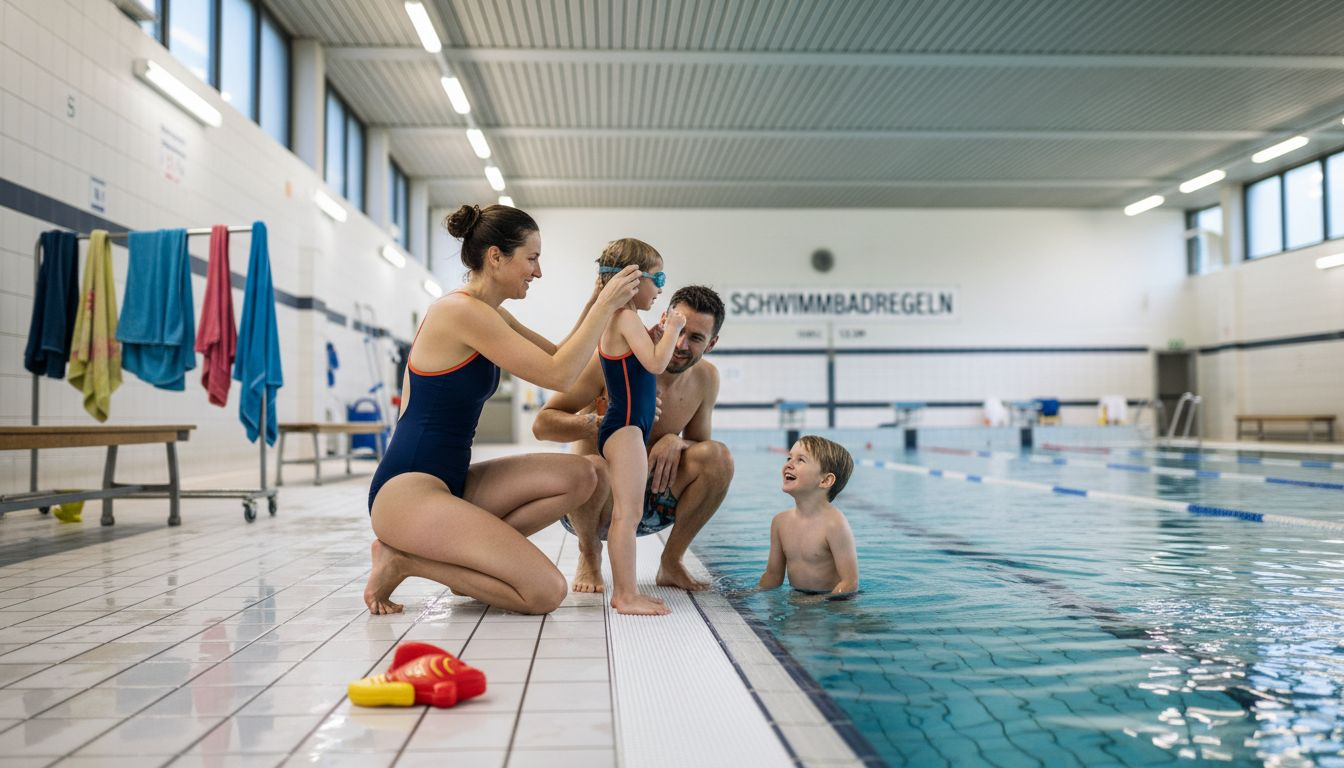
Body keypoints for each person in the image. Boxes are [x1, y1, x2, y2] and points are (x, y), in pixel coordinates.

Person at [364, 204, 642, 616]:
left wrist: (599, 301)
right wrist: (605, 308)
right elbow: (560, 375)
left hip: (452, 483)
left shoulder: (491, 314)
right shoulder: (458, 312)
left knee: (587, 474)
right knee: (545, 593)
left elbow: (567, 356)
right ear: (496, 257)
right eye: (531, 258)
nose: (538, 271)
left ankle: (475, 567)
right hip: (407, 492)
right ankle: (404, 560)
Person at [532, 284, 732, 596]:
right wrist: (602, 423)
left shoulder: (706, 378)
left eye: (695, 338)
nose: (680, 344)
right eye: (678, 330)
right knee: (593, 466)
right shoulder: (613, 359)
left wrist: (676, 442)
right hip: (592, 503)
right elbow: (543, 425)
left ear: (712, 343)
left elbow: (701, 447)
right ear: (664, 320)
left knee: (718, 458)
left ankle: (672, 561)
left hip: (648, 506)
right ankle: (589, 553)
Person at [591, 239, 686, 615]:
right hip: (626, 427)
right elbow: (657, 365)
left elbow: (641, 362)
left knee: (626, 514)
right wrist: (675, 328)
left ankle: (627, 592)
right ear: (634, 279)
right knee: (626, 515)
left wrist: (659, 333)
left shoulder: (621, 320)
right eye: (658, 277)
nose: (661, 288)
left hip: (628, 425)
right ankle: (625, 595)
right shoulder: (624, 317)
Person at [757, 435, 859, 596]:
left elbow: (850, 583)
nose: (788, 464)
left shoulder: (834, 524)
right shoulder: (780, 522)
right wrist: (750, 594)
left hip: (833, 606)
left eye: (800, 460)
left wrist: (817, 603)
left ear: (825, 480)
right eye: (789, 457)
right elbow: (773, 576)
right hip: (799, 599)